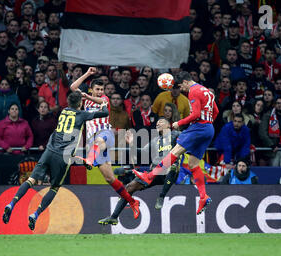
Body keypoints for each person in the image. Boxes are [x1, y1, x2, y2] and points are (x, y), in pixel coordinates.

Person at [2, 91, 110, 230]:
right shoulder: (82, 114)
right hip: (62, 156)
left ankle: (11, 204)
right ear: (80, 103)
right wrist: (104, 103)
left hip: (49, 150)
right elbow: (105, 113)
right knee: (54, 187)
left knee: (31, 180)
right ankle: (35, 214)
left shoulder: (64, 111)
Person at [133, 71, 219, 215]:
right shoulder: (207, 92)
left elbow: (196, 115)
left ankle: (150, 176)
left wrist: (179, 122)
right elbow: (215, 111)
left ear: (185, 82)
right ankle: (203, 196)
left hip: (199, 127)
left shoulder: (193, 91)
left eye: (181, 87)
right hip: (209, 128)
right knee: (193, 164)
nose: (182, 90)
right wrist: (207, 127)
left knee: (174, 152)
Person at [70, 67, 141, 219]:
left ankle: (89, 159)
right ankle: (132, 202)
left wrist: (87, 96)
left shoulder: (104, 100)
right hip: (93, 141)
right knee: (109, 178)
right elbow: (73, 87)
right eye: (97, 89)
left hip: (105, 134)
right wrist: (88, 74)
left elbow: (101, 100)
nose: (100, 91)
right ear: (92, 89)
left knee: (100, 140)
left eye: (102, 89)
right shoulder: (85, 100)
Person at [98, 118, 181, 225]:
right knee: (129, 187)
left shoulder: (176, 134)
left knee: (173, 165)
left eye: (161, 121)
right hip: (155, 172)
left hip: (171, 171)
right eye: (156, 123)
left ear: (168, 125)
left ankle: (162, 196)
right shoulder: (155, 141)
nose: (158, 123)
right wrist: (132, 143)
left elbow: (189, 139)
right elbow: (141, 153)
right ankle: (114, 217)